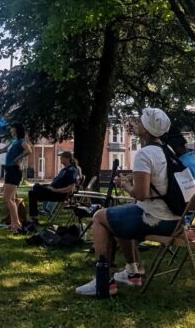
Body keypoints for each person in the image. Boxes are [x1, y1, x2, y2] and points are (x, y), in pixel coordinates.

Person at [76, 108, 180, 295]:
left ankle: (103, 282)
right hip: (175, 219)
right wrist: (132, 177)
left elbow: (141, 194)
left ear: (146, 129)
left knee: (100, 217)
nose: (136, 124)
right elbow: (159, 178)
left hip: (156, 218)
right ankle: (132, 273)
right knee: (119, 218)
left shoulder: (144, 154)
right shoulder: (167, 150)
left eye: (140, 122)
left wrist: (125, 184)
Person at [24, 151, 81, 232]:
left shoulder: (71, 170)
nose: (60, 158)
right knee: (32, 192)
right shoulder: (64, 170)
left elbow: (71, 188)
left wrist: (55, 190)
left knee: (36, 187)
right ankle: (34, 218)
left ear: (67, 159)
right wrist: (48, 186)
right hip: (52, 191)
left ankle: (34, 218)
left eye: (62, 157)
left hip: (59, 194)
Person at [0, 123, 32, 232]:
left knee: (7, 198)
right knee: (12, 199)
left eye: (12, 129)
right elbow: (0, 151)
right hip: (9, 170)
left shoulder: (21, 141)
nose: (10, 131)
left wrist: (18, 158)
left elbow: (29, 151)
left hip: (14, 171)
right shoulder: (13, 142)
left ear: (16, 130)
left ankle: (16, 224)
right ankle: (15, 223)